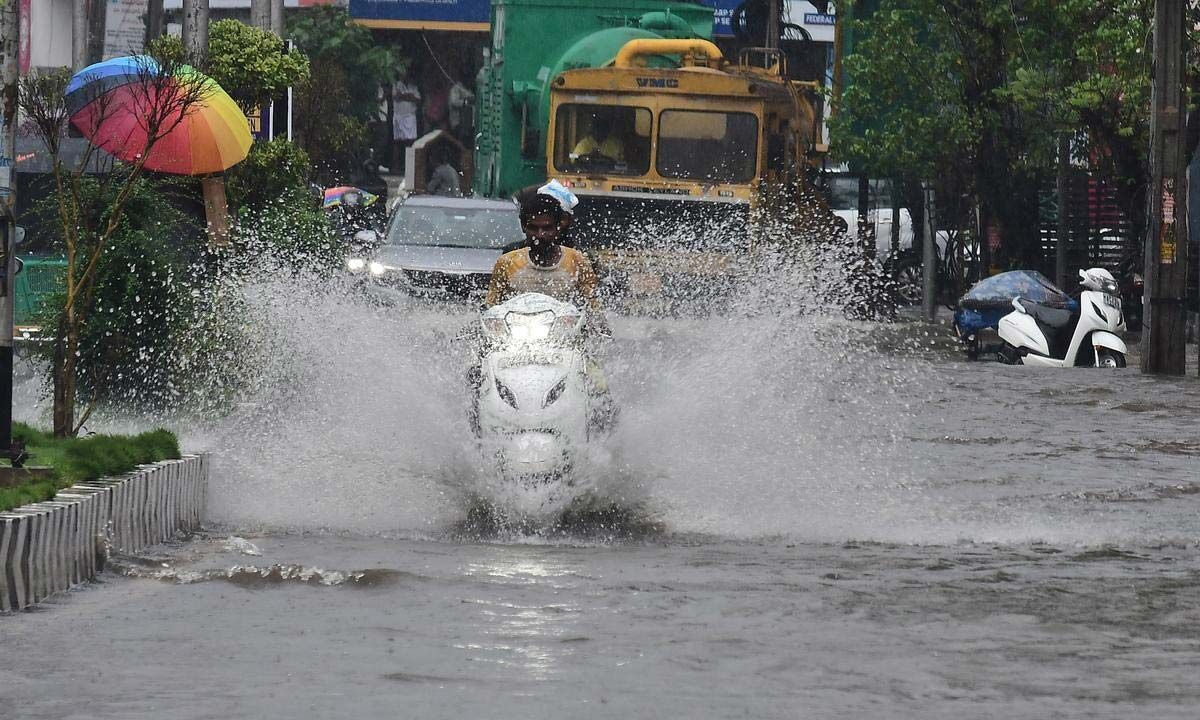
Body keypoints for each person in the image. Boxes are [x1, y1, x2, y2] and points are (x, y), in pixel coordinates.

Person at [391, 69, 421, 173]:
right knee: (398, 142)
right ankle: (396, 167)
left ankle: (408, 166)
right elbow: (396, 96)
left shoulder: (413, 87)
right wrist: (409, 96)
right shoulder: (395, 84)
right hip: (399, 116)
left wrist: (405, 96)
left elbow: (417, 99)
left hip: (410, 117)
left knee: (410, 142)